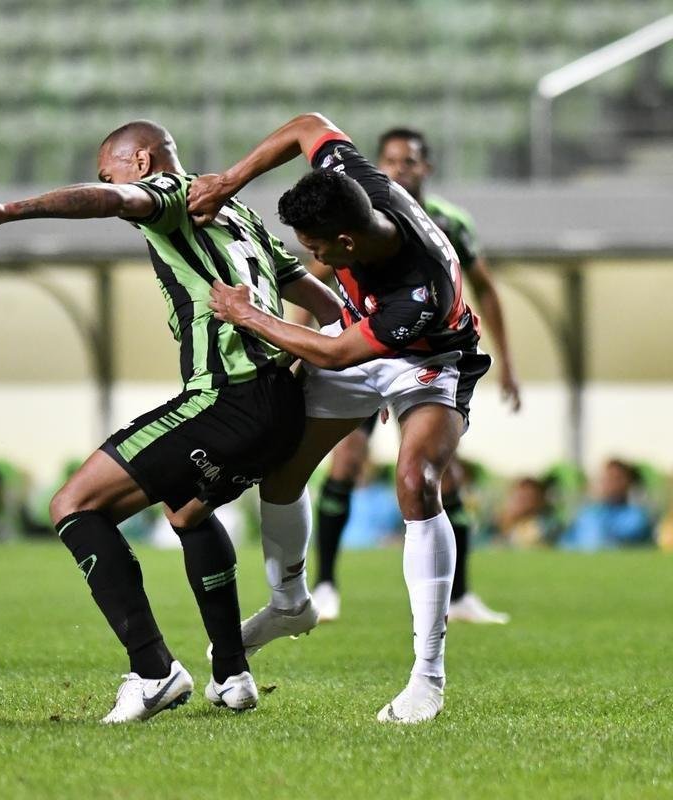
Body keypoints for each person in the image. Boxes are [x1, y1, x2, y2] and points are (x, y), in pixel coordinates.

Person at [0, 120, 342, 723]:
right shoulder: (244, 216)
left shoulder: (173, 193)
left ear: (142, 162)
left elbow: (110, 201)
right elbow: (329, 306)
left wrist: (9, 211)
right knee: (187, 511)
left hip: (227, 397)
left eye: (110, 172)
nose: (109, 184)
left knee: (74, 505)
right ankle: (233, 674)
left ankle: (154, 671)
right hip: (279, 401)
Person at [189, 112, 492, 724]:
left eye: (317, 248)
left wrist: (247, 315)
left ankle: (427, 678)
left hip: (430, 360)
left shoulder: (420, 288)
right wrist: (229, 181)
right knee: (279, 473)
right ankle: (290, 604)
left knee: (416, 481)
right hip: (360, 337)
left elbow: (332, 354)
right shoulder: (358, 184)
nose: (313, 256)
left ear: (347, 243)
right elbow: (308, 126)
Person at [309, 127, 516, 626]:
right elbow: (314, 278)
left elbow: (485, 289)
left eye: (410, 161)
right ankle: (325, 585)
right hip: (364, 351)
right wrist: (306, 341)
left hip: (425, 357)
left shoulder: (449, 224)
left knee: (440, 474)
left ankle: (460, 594)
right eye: (392, 160)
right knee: (346, 461)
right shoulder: (356, 217)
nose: (400, 169)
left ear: (427, 168)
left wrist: (508, 362)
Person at [561, 459, 654, 550]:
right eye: (605, 478)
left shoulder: (636, 516)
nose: (609, 483)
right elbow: (565, 543)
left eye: (616, 479)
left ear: (628, 483)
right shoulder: (586, 514)